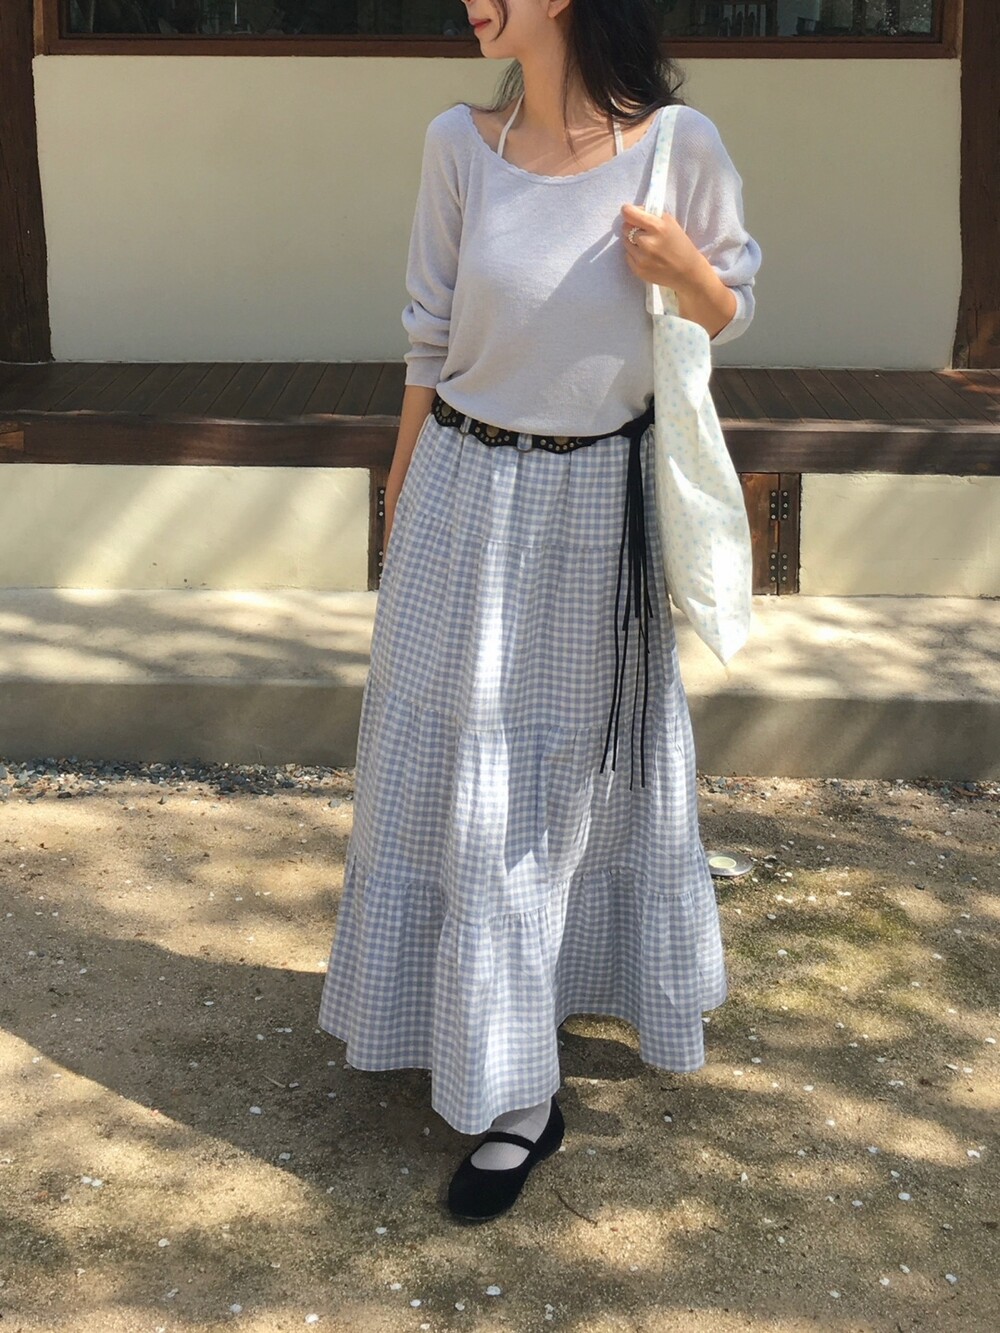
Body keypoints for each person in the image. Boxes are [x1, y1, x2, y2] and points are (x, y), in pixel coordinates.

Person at [318, 0, 762, 1222]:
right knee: (452, 779)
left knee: (554, 787)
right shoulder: (459, 147)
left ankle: (521, 1083)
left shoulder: (676, 147)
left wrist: (686, 274)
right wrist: (400, 503)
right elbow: (425, 343)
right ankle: (493, 1059)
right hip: (461, 488)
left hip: (592, 507)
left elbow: (728, 308)